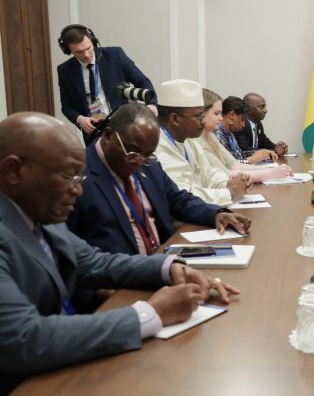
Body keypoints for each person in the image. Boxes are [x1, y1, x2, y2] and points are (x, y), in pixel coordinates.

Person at [0, 112, 238, 393]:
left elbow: (95, 262)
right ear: (14, 171)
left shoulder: (37, 212)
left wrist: (170, 267)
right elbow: (24, 339)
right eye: (68, 177)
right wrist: (150, 313)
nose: (78, 190)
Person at [67, 103, 252, 256]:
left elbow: (179, 200)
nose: (139, 162)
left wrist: (216, 214)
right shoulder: (77, 177)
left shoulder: (149, 163)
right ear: (108, 136)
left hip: (162, 259)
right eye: (133, 153)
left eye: (147, 155)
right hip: (120, 277)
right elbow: (78, 255)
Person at [153, 79, 251, 206]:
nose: (203, 121)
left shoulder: (189, 140)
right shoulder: (157, 146)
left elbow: (208, 174)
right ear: (175, 119)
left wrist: (230, 183)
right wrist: (229, 192)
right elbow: (183, 196)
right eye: (198, 116)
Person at [56, 24, 157, 143]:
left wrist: (151, 104)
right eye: (79, 52)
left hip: (125, 125)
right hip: (95, 132)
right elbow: (67, 107)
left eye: (88, 48)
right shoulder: (65, 71)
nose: (86, 55)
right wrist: (80, 119)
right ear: (68, 50)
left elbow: (142, 81)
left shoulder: (115, 55)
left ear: (92, 40)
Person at [193, 89, 293, 180]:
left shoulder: (211, 136)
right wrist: (270, 173)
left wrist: (273, 169)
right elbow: (225, 174)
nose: (221, 118)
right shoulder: (205, 138)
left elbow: (234, 164)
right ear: (201, 114)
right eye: (216, 114)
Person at [234, 93, 288, 158]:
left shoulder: (258, 124)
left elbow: (265, 142)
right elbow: (246, 150)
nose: (266, 110)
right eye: (262, 107)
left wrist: (278, 147)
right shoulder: (240, 125)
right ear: (249, 109)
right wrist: (274, 151)